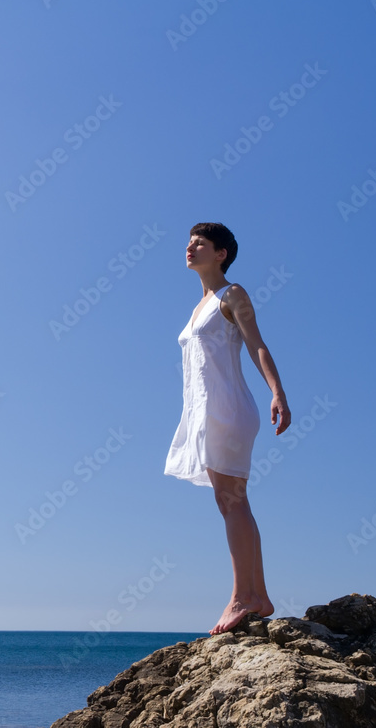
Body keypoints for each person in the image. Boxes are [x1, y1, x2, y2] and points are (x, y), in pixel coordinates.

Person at [163, 222, 291, 635]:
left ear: (221, 254)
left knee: (231, 502)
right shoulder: (199, 305)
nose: (190, 246)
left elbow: (257, 344)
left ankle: (243, 597)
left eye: (200, 242)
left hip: (227, 409)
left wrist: (278, 393)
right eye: (189, 241)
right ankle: (259, 594)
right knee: (234, 502)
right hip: (205, 410)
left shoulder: (231, 294)